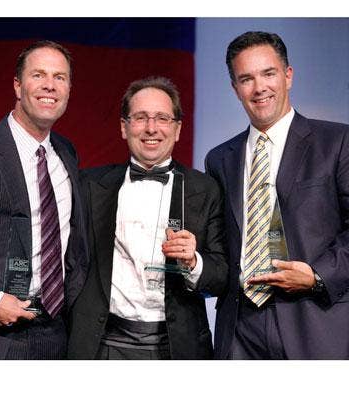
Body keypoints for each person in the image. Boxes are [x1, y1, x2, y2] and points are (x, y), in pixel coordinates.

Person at [205, 31, 349, 359]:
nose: (259, 88)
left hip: (315, 321)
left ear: (288, 76)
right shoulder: (219, 159)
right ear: (235, 88)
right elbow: (219, 245)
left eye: (268, 73)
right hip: (240, 330)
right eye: (246, 79)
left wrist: (317, 276)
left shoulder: (338, 142)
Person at [67, 76, 228, 359]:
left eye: (162, 118)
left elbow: (221, 275)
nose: (151, 128)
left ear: (177, 129)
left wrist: (193, 262)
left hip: (177, 348)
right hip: (103, 345)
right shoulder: (89, 185)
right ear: (124, 127)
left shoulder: (205, 189)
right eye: (140, 118)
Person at [0, 40, 88, 359]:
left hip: (54, 335)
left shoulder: (67, 154)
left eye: (59, 77)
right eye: (38, 75)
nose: (50, 85)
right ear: (17, 85)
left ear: (69, 89)